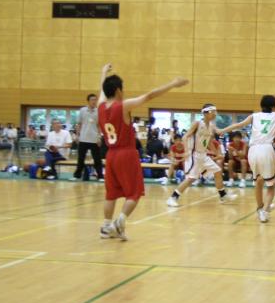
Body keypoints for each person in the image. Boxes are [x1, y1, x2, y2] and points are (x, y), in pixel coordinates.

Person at [98, 63, 188, 240]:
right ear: (118, 90)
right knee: (135, 193)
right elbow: (149, 96)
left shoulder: (101, 106)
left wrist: (103, 73)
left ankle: (106, 226)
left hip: (111, 155)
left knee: (111, 194)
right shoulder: (122, 106)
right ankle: (119, 223)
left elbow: (101, 90)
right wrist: (172, 84)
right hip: (126, 153)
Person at [218, 95, 275, 223]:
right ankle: (265, 210)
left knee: (258, 181)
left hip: (253, 150)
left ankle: (260, 208)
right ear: (274, 106)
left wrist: (222, 130)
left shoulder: (254, 116)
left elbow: (238, 125)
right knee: (271, 185)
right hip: (266, 149)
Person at [166, 105, 236, 207]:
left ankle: (223, 196)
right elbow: (185, 136)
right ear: (206, 112)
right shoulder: (197, 123)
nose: (215, 114)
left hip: (203, 155)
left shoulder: (211, 126)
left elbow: (210, 141)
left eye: (215, 112)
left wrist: (217, 153)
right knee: (191, 178)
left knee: (217, 171)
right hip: (194, 155)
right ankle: (173, 198)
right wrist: (187, 151)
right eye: (213, 111)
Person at [72, 93, 104, 182]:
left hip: (94, 139)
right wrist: (77, 136)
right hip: (83, 138)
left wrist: (99, 137)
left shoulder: (98, 111)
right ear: (88, 101)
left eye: (95, 100)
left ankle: (100, 176)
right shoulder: (82, 110)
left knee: (97, 159)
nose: (94, 101)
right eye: (92, 100)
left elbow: (99, 126)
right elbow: (79, 124)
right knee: (80, 158)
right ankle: (77, 175)